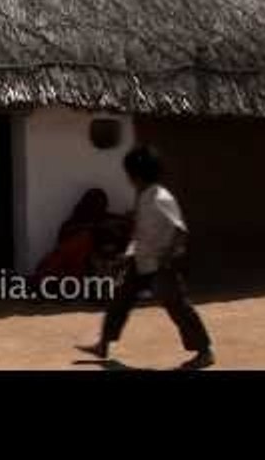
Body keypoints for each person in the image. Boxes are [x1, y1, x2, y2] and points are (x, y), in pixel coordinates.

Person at [76, 147, 214, 370]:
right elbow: (140, 233)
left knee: (178, 306)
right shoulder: (143, 196)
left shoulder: (161, 197)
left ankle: (204, 351)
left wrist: (168, 257)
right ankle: (103, 344)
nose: (129, 179)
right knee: (119, 301)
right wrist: (128, 256)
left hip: (160, 263)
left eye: (130, 174)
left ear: (137, 175)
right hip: (140, 261)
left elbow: (181, 231)